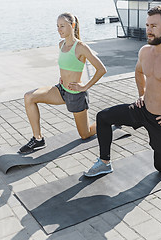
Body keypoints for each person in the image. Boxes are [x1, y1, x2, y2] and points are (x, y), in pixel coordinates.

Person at [84, 5, 161, 177]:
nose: (148, 30)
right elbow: (139, 71)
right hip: (141, 109)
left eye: (154, 26)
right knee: (103, 117)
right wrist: (141, 94)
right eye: (147, 25)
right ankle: (104, 163)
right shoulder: (145, 51)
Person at [19, 12, 107, 153]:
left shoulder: (81, 47)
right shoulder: (61, 45)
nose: (59, 30)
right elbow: (67, 66)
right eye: (57, 26)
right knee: (29, 97)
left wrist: (84, 86)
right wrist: (63, 78)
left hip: (76, 95)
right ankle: (38, 139)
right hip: (61, 90)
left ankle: (110, 120)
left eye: (62, 26)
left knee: (85, 134)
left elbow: (101, 69)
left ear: (72, 25)